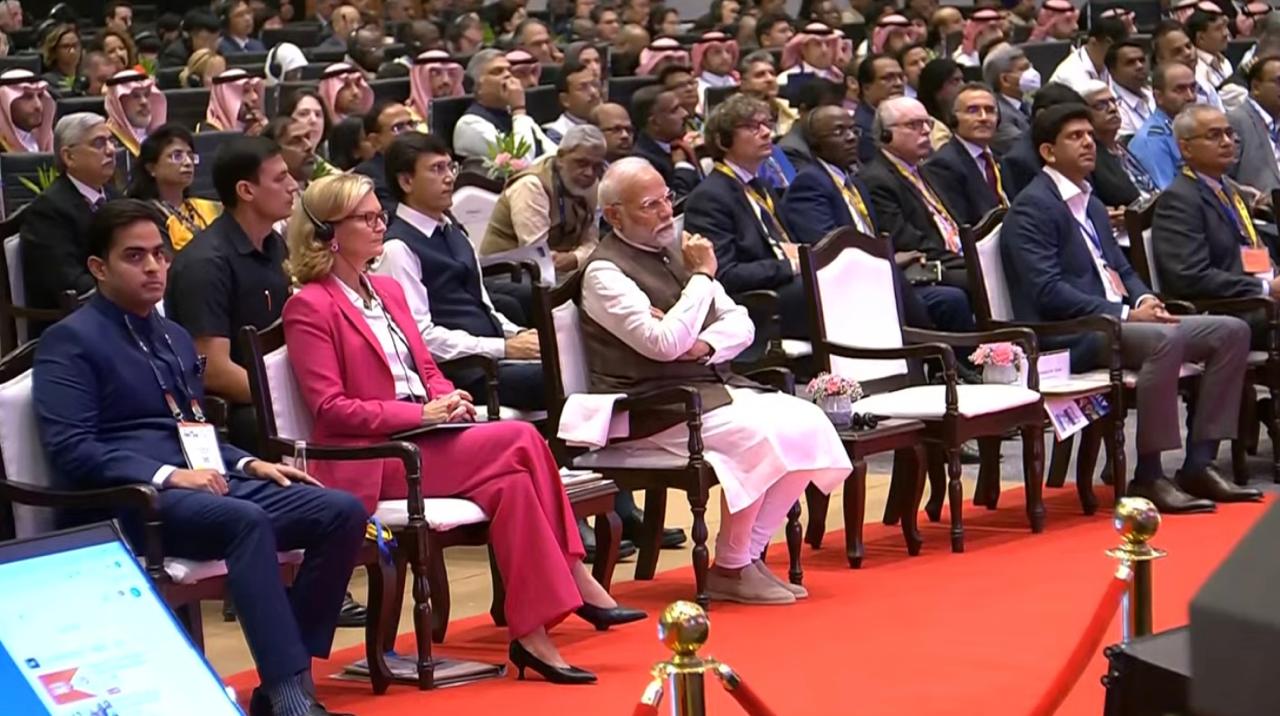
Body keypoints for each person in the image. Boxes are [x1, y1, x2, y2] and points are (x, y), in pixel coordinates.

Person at [282, 172, 645, 682]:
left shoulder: (385, 289)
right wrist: (420, 414)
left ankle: (532, 637)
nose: (380, 223)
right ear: (327, 233)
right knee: (520, 437)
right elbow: (333, 408)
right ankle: (576, 573)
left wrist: (445, 396)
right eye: (365, 218)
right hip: (379, 455)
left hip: (426, 438)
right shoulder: (309, 305)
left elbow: (423, 366)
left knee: (514, 485)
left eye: (378, 214)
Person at [34, 199, 367, 716]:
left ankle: (289, 673)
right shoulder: (68, 341)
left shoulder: (169, 335)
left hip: (203, 482)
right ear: (99, 268)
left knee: (339, 510)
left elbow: (192, 426)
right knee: (245, 520)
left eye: (160, 255)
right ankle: (289, 694)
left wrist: (246, 463)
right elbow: (72, 449)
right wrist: (170, 476)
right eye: (135, 256)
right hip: (126, 500)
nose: (153, 267)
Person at [583, 157, 852, 604]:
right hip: (650, 407)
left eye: (667, 199)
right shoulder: (604, 273)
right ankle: (734, 564)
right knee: (759, 436)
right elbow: (664, 345)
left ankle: (741, 557)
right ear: (614, 215)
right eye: (650, 205)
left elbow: (741, 324)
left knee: (807, 421)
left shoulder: (677, 253)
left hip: (703, 389)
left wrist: (703, 346)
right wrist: (702, 280)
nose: (666, 212)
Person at [1002, 103, 1260, 513]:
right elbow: (1047, 290)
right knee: (1163, 339)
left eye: (1090, 134)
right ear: (1048, 152)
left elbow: (1121, 267)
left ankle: (1199, 463)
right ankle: (1151, 474)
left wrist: (1143, 298)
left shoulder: (1089, 200)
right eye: (1076, 136)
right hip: (1073, 333)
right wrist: (1123, 314)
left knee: (1231, 331)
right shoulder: (1032, 208)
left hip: (1120, 322)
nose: (1089, 142)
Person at [376, 132, 543, 411]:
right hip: (463, 372)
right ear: (406, 181)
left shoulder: (455, 232)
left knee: (569, 355)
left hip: (493, 356)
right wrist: (504, 347)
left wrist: (519, 335)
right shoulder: (397, 248)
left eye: (451, 167)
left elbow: (484, 307)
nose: (449, 177)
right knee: (555, 374)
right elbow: (420, 338)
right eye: (436, 169)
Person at [166, 136, 297, 451]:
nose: (293, 185)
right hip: (240, 406)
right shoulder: (205, 265)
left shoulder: (273, 244)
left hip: (279, 382)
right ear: (246, 191)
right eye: (280, 178)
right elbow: (215, 370)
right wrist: (290, 397)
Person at [683, 94, 808, 339]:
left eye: (766, 124)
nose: (765, 133)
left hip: (783, 285)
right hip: (754, 302)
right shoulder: (709, 197)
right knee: (823, 288)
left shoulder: (760, 185)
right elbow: (724, 274)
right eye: (752, 127)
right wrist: (790, 266)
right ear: (722, 140)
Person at [1155, 103, 1279, 349]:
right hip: (1224, 310)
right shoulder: (1179, 200)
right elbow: (1190, 276)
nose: (1226, 142)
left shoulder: (1230, 188)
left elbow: (1251, 246)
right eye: (1214, 136)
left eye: (1229, 133)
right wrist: (1264, 287)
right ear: (1185, 148)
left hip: (1255, 299)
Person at [861, 97, 969, 294]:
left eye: (928, 123)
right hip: (928, 265)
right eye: (914, 125)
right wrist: (970, 261)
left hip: (957, 255)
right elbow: (908, 242)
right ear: (886, 135)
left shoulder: (927, 170)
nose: (927, 131)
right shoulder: (877, 180)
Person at [20, 114, 119, 325]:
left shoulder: (116, 197)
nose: (111, 150)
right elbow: (69, 282)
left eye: (112, 141)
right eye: (99, 143)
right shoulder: (47, 211)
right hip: (74, 323)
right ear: (69, 157)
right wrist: (124, 288)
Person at [480, 125, 606, 279]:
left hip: (558, 270)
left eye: (597, 166)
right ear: (560, 157)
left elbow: (592, 243)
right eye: (581, 163)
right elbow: (537, 254)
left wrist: (575, 259)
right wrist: (574, 259)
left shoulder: (592, 184)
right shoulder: (531, 185)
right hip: (507, 273)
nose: (589, 172)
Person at [922, 83, 1007, 229]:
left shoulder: (1001, 159)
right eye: (973, 110)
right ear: (954, 119)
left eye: (990, 110)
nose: (983, 117)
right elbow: (963, 225)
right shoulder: (942, 165)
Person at [127, 124, 222, 252]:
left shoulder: (208, 208)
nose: (188, 162)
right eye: (177, 156)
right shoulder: (146, 216)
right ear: (151, 168)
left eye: (190, 156)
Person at [1079, 80, 1159, 224]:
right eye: (1101, 105)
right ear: (1083, 114)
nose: (1112, 108)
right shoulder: (1089, 158)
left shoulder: (1125, 144)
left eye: (1113, 102)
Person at [454, 49, 556, 161]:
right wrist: (518, 109)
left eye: (509, 70)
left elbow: (554, 154)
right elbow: (520, 161)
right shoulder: (469, 125)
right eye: (497, 72)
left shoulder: (516, 116)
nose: (508, 75)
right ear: (477, 86)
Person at [1129, 62, 1198, 190]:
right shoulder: (1151, 140)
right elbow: (1167, 196)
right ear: (1158, 97)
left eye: (1193, 88)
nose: (1190, 96)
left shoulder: (1192, 128)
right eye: (1180, 90)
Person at [630, 85, 701, 199]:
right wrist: (681, 166)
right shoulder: (643, 163)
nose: (684, 114)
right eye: (675, 110)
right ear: (655, 122)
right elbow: (675, 204)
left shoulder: (681, 147)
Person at [1227, 55, 1280, 194]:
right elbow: (1220, 176)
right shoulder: (1235, 121)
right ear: (1256, 87)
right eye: (1279, 81)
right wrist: (1246, 195)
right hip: (1257, 211)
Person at [353, 99, 415, 211]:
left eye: (411, 124)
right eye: (398, 128)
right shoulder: (368, 175)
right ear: (375, 141)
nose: (410, 131)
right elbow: (393, 217)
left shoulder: (423, 164)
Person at [1154, 20, 1224, 111]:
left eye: (1189, 46)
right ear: (1160, 59)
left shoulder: (1206, 87)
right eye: (1177, 51)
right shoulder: (1154, 96)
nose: (1187, 53)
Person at [984, 43, 1035, 155]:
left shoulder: (1029, 102)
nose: (1032, 72)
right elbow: (1026, 146)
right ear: (1005, 80)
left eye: (1030, 66)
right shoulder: (998, 114)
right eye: (1024, 68)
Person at [854, 53, 907, 162]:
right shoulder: (862, 130)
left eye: (901, 77)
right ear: (866, 88)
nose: (898, 83)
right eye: (888, 78)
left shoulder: (910, 114)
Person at [1049, 16, 1126, 90]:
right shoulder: (1071, 73)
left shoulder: (1107, 66)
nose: (1114, 54)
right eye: (1111, 47)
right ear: (1093, 42)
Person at [104, 69, 166, 157]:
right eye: (135, 96)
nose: (144, 102)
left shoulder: (162, 139)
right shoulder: (107, 144)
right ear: (117, 103)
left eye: (147, 95)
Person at [1188, 10, 1242, 110]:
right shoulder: (1194, 68)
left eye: (1225, 27)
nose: (1226, 33)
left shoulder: (1225, 62)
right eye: (1218, 29)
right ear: (1201, 38)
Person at [544, 58, 601, 144]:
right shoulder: (558, 136)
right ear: (565, 100)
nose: (594, 92)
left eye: (595, 84)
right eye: (583, 87)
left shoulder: (610, 123)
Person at [1108, 40, 1155, 140]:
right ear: (1112, 71)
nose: (1139, 66)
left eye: (1142, 60)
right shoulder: (1112, 106)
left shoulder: (1152, 95)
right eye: (1130, 62)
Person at [0, 69, 53, 153]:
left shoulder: (51, 142)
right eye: (28, 97)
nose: (38, 105)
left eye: (39, 96)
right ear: (4, 102)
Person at [406, 49, 464, 125]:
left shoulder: (467, 117)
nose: (446, 80)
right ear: (420, 77)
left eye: (451, 74)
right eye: (436, 74)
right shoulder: (406, 119)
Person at [917, 58, 963, 150]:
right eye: (955, 81)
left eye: (962, 80)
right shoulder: (929, 125)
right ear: (936, 87)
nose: (963, 85)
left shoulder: (957, 118)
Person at [204, 69, 267, 135]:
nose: (255, 97)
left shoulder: (259, 125)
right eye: (246, 91)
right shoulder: (209, 132)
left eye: (255, 90)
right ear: (227, 97)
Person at [692, 31, 739, 114]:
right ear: (702, 59)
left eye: (728, 51)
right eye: (717, 52)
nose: (725, 57)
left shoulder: (738, 81)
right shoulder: (696, 89)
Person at [40, 23, 82, 96]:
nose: (72, 51)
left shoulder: (87, 77)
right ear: (53, 52)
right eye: (66, 46)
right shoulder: (47, 82)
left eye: (75, 45)